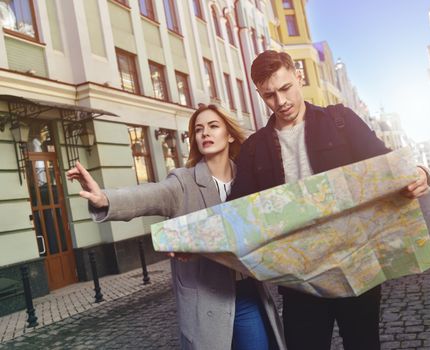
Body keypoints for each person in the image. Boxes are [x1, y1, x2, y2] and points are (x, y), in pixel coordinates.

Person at [228, 50, 430, 350]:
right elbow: (237, 211)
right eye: (269, 95)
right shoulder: (254, 148)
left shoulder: (341, 121)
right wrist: (188, 243)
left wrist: (422, 173)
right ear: (259, 92)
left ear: (298, 77)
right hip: (300, 278)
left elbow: (386, 166)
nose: (280, 101)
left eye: (285, 88)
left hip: (356, 267)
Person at [66, 104, 286, 350]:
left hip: (247, 294)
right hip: (207, 300)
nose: (205, 133)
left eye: (213, 126)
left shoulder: (247, 178)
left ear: (230, 135)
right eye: (199, 129)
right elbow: (147, 195)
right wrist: (105, 198)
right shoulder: (183, 182)